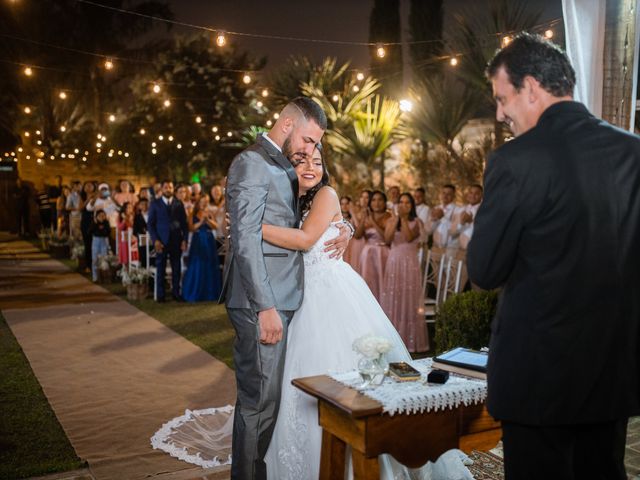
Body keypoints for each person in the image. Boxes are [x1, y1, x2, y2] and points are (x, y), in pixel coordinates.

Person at [152, 147, 474, 480]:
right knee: (285, 382)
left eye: (318, 162)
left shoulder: (327, 194)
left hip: (333, 298)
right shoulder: (282, 201)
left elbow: (306, 239)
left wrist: (256, 226)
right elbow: (236, 231)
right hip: (293, 298)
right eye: (301, 161)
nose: (311, 167)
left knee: (342, 372)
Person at [467, 33, 640, 479]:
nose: (500, 113)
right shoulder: (632, 153)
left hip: (537, 378)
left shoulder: (513, 162)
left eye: (503, 99)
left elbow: (485, 270)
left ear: (530, 87)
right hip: (610, 370)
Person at [220, 97, 350, 480]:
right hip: (263, 300)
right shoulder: (252, 162)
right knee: (257, 404)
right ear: (289, 123)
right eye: (309, 139)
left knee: (268, 403)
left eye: (316, 146)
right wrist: (264, 307)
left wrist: (346, 227)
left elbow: (309, 216)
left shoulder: (281, 165)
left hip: (285, 296)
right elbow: (244, 239)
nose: (311, 150)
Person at [380, 192, 428, 352]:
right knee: (394, 298)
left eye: (408, 203)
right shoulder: (391, 220)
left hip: (409, 264)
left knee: (408, 300)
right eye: (401, 202)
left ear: (412, 206)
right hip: (394, 262)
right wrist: (395, 220)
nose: (404, 205)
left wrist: (403, 219)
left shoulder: (417, 222)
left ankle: (410, 341)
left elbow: (408, 237)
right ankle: (392, 339)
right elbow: (387, 240)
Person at [147, 181, 188, 302]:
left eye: (170, 187)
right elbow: (150, 224)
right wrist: (155, 240)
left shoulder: (178, 203)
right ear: (162, 189)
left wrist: (184, 240)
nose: (168, 189)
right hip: (161, 241)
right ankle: (161, 295)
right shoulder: (155, 204)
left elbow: (184, 224)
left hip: (176, 241)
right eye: (166, 187)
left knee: (176, 268)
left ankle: (176, 293)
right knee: (161, 268)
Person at [181, 195, 222, 302]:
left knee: (209, 264)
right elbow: (191, 228)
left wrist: (208, 220)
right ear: (198, 203)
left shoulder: (210, 213)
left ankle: (210, 293)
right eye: (202, 202)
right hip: (198, 240)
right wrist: (200, 222)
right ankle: (194, 292)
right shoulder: (192, 214)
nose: (204, 204)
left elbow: (216, 226)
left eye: (206, 202)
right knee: (197, 264)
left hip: (209, 240)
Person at [354, 190, 391, 301]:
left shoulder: (389, 216)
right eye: (374, 200)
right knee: (367, 282)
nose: (377, 203)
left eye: (380, 200)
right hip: (367, 254)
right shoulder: (365, 216)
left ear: (385, 202)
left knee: (382, 282)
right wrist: (364, 219)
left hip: (383, 253)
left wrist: (373, 221)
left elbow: (386, 238)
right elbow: (357, 235)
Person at [425, 184, 460, 252]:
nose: (445, 196)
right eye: (443, 193)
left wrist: (443, 218)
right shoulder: (435, 208)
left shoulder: (458, 210)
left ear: (454, 196)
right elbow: (428, 231)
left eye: (449, 194)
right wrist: (433, 221)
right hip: (435, 247)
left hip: (450, 248)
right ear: (440, 194)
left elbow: (456, 230)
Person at [449, 184, 483, 251]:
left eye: (477, 193)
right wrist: (462, 224)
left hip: (476, 249)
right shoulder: (461, 209)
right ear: (467, 194)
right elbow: (452, 232)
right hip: (459, 249)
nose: (473, 195)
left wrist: (471, 222)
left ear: (482, 196)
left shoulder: (485, 210)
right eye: (471, 192)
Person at [344, 189, 370, 274]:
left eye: (367, 197)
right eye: (362, 197)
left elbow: (360, 231)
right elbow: (354, 231)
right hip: (356, 244)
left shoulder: (370, 214)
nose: (364, 199)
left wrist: (353, 214)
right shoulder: (357, 212)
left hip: (365, 243)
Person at [80, 181, 98, 272]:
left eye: (90, 185)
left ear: (94, 187)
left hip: (95, 221)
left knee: (96, 243)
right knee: (88, 244)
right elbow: (80, 208)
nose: (88, 187)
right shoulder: (82, 197)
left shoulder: (97, 196)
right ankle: (88, 265)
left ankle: (98, 265)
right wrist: (88, 199)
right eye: (86, 185)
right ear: (84, 188)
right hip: (85, 221)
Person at [89, 210, 111, 282]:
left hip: (103, 241)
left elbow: (108, 232)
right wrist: (95, 224)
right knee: (95, 259)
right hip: (96, 240)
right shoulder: (94, 223)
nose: (102, 217)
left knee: (104, 259)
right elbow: (90, 231)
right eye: (100, 215)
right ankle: (95, 276)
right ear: (97, 216)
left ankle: (104, 276)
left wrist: (103, 229)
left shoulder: (106, 222)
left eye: (103, 215)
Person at [117, 202, 138, 266]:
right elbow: (120, 227)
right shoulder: (121, 217)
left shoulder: (135, 216)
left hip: (133, 239)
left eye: (131, 207)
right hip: (125, 240)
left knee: (134, 258)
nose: (130, 209)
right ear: (124, 209)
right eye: (128, 207)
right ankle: (125, 272)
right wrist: (124, 219)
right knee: (126, 259)